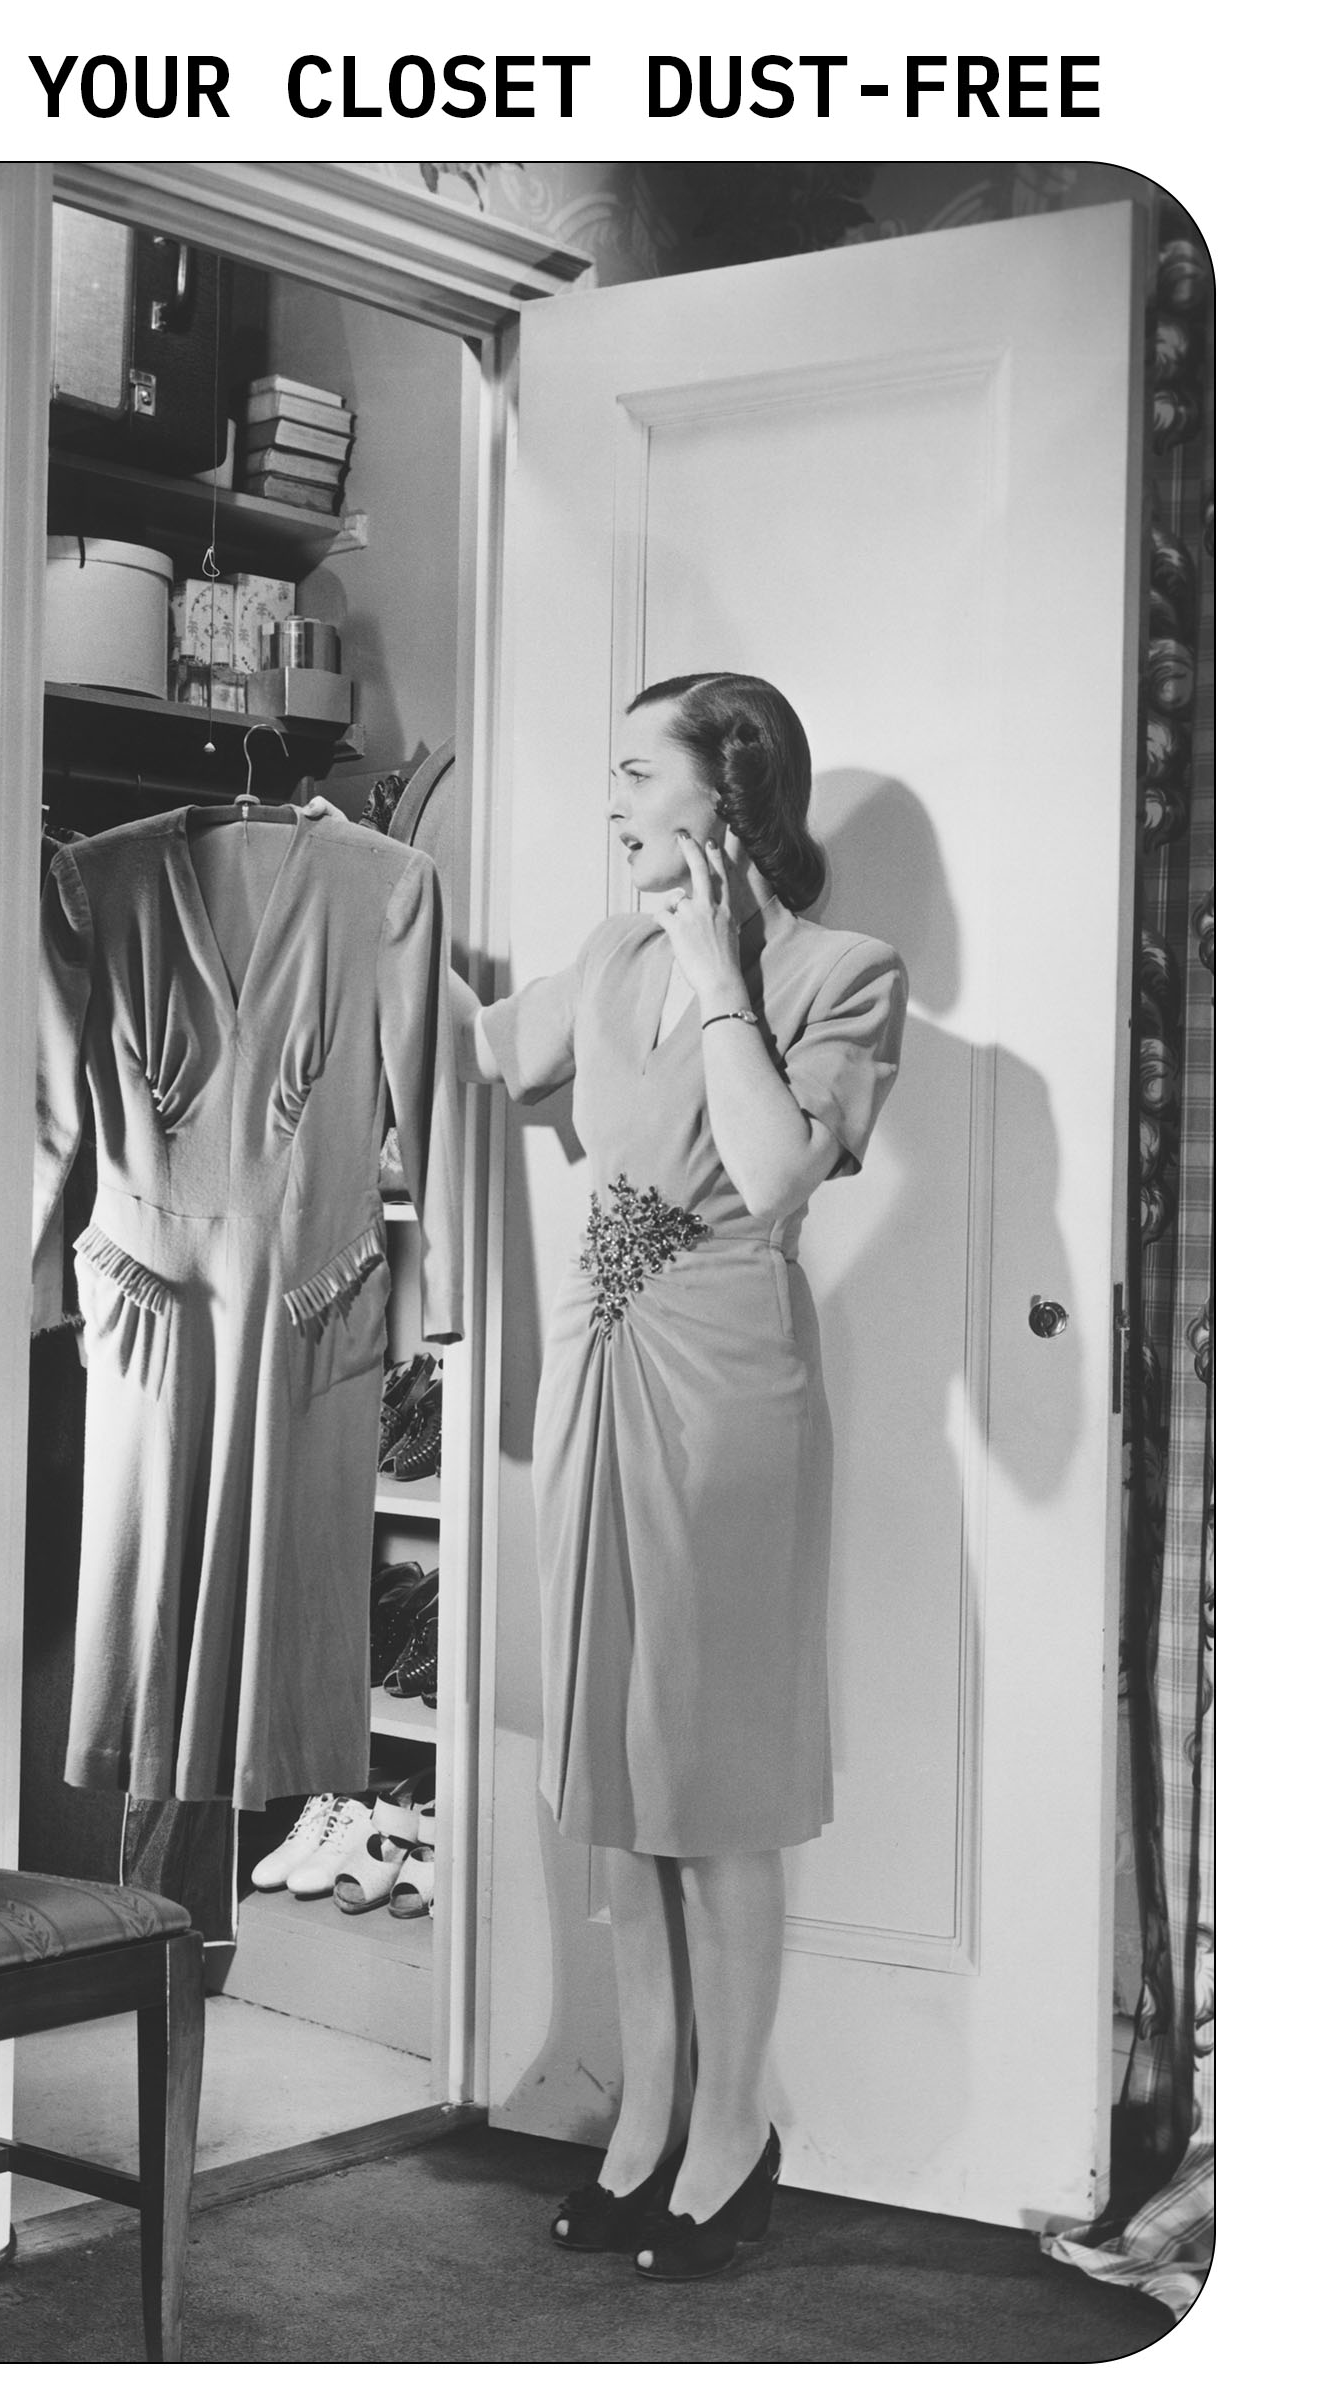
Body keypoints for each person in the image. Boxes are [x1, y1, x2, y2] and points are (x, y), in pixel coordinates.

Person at [451, 672, 907, 2281]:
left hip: (728, 1387)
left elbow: (779, 1174)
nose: (613, 802)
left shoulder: (844, 974)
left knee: (711, 1784)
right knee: (616, 1780)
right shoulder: (604, 953)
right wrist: (360, 885)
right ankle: (644, 2115)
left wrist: (721, 967)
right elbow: (469, 1059)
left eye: (639, 773)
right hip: (595, 1366)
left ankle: (734, 2131)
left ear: (732, 793)